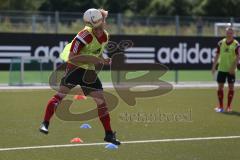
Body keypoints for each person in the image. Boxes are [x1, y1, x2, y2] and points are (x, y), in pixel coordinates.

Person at [39, 8, 121, 145]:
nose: (104, 22)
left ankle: (108, 134)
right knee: (60, 96)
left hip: (88, 72)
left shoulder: (105, 36)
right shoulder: (84, 35)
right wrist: (94, 60)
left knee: (101, 102)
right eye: (103, 19)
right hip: (74, 69)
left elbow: (96, 52)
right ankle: (45, 123)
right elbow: (72, 57)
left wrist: (102, 59)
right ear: (96, 21)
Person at [212, 27, 239, 113]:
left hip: (231, 70)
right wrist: (213, 66)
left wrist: (233, 68)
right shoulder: (220, 43)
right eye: (228, 33)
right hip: (222, 69)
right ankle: (220, 107)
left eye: (231, 33)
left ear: (233, 34)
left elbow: (238, 57)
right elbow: (217, 55)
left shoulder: (236, 45)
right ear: (225, 33)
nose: (229, 34)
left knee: (231, 87)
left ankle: (228, 107)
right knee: (220, 87)